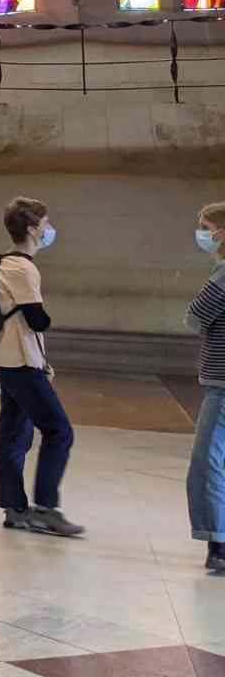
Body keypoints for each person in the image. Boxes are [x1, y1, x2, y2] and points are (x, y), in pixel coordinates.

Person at [0, 197, 82, 537]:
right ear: (31, 229)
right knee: (59, 431)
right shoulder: (22, 268)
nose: (48, 230)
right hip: (21, 362)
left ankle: (15, 508)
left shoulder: (6, 264)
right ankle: (45, 508)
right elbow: (36, 319)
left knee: (14, 435)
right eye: (45, 224)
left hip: (7, 359)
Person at [186, 201, 225, 573]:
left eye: (206, 226)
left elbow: (195, 318)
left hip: (223, 383)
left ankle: (218, 542)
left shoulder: (223, 276)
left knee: (208, 462)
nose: (202, 234)